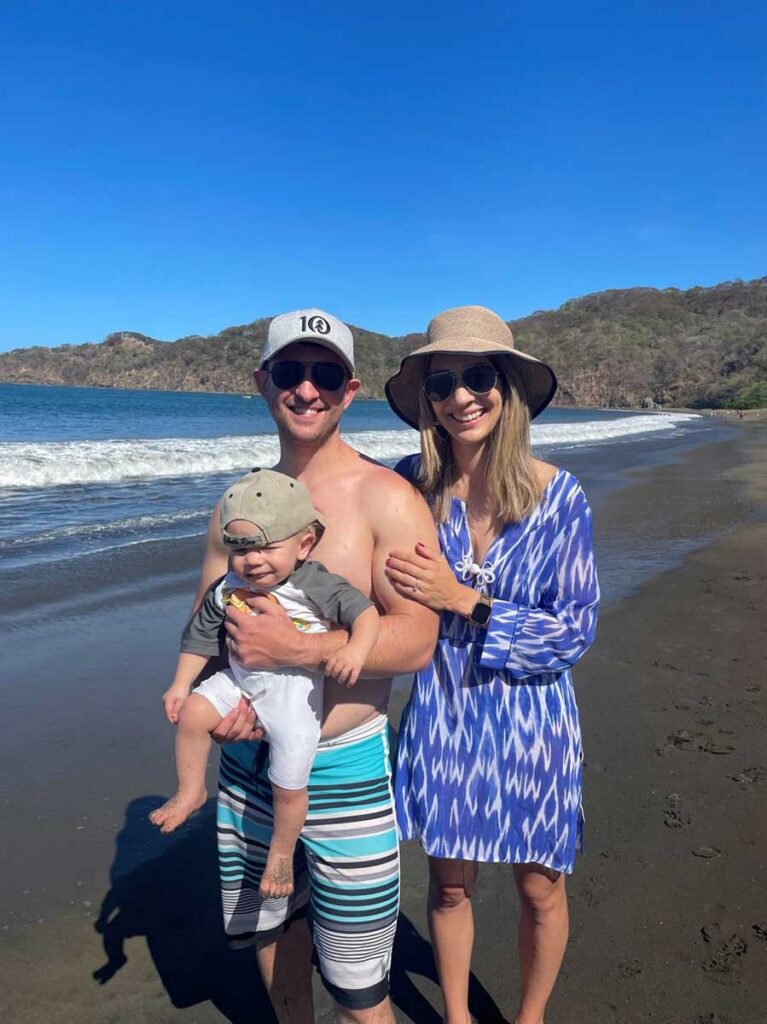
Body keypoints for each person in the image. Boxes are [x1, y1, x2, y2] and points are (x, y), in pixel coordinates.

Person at [193, 309, 439, 1024]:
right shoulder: (238, 506)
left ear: (350, 388)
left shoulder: (385, 498)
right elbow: (212, 625)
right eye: (289, 373)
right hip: (249, 765)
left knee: (361, 991)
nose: (306, 390)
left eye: (324, 374)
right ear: (262, 383)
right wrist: (219, 711)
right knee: (275, 945)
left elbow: (416, 640)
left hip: (344, 769)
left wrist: (305, 650)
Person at [383, 305, 599, 1024]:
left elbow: (572, 631)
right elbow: (342, 544)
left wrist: (466, 602)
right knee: (448, 888)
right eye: (441, 385)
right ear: (426, 402)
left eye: (477, 377)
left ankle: (530, 1017)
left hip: (533, 718)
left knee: (540, 888)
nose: (459, 397)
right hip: (443, 712)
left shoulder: (558, 496)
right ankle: (457, 1016)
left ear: (506, 388)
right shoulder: (407, 485)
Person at [150, 468, 380, 903]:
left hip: (293, 699)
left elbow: (365, 614)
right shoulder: (229, 586)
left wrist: (354, 651)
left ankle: (281, 850)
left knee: (288, 787)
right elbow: (199, 636)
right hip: (240, 682)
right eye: (239, 550)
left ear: (304, 544)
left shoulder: (315, 582)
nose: (252, 561)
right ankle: (191, 789)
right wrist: (181, 684)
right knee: (194, 715)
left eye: (267, 548)